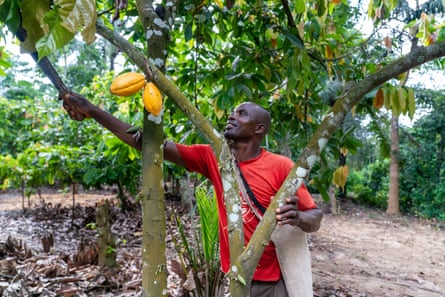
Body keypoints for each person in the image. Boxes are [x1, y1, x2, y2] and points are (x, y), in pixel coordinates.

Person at [61, 91, 323, 296]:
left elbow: (315, 215)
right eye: (232, 112)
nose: (232, 116)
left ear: (259, 129)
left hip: (273, 283)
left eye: (241, 114)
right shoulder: (214, 157)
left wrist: (298, 216)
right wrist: (93, 111)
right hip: (234, 279)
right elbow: (147, 142)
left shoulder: (280, 166)